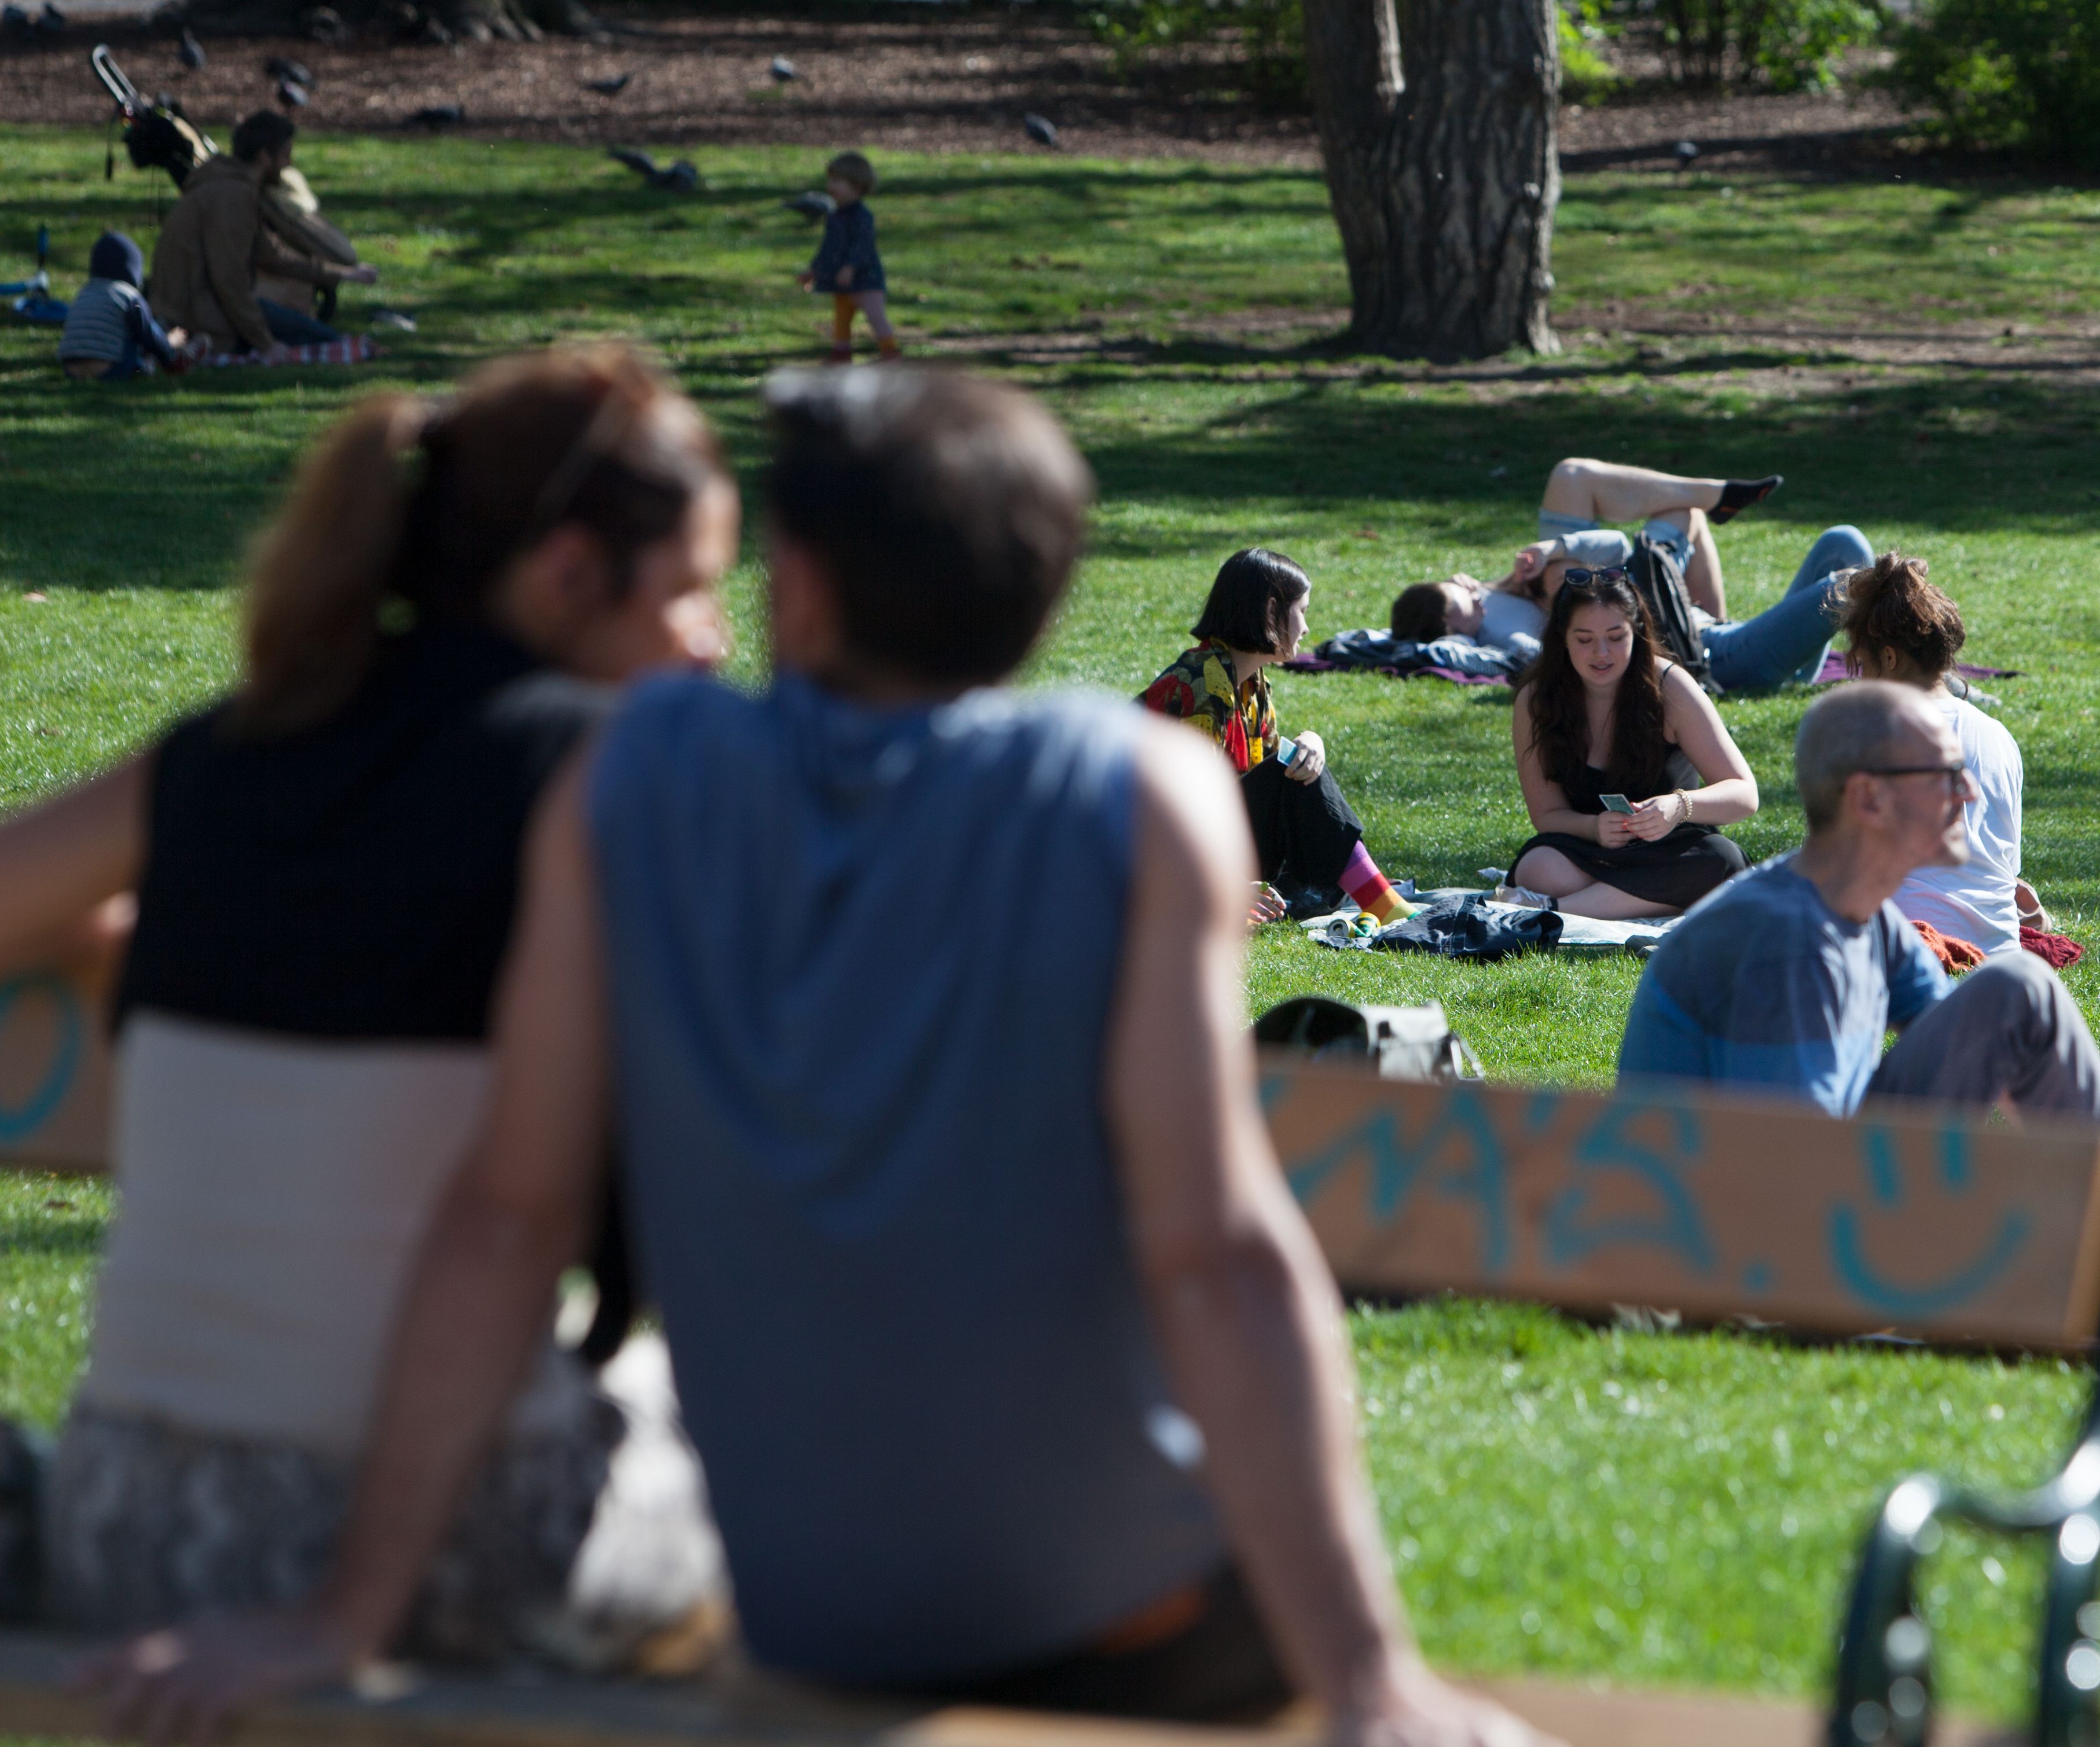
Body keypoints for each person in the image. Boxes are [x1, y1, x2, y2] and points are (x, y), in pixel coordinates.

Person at [84, 368, 1555, 1747]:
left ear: (794, 584)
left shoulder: (634, 780)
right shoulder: (1139, 791)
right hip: (1129, 1617)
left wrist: (345, 1618)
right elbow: (1217, 1255)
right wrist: (1370, 1681)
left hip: (817, 1617)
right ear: (1042, 596)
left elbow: (506, 1218)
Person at [0, 346, 737, 1662]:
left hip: (127, 1526)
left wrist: (142, 928)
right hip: (426, 1557)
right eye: (689, 590)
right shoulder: (599, 772)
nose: (713, 642)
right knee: (755, 1428)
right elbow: (515, 1217)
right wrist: (351, 1608)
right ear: (568, 574)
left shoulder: (220, 753)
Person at [1615, 680, 2100, 1277]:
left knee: (2018, 992)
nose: (1970, 791)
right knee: (2018, 999)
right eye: (1946, 775)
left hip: (1807, 1203)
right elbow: (1795, 1193)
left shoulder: (1863, 915)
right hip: (1740, 1251)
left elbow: (1982, 1043)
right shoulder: (1784, 945)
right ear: (1869, 799)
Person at [1392, 457, 1870, 695]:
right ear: (1456, 629)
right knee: (1850, 584)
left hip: (1709, 627)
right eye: (1465, 607)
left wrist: (1546, 555)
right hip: (1719, 657)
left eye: (1461, 588)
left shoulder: (1510, 585)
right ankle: (1902, 671)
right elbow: (1518, 659)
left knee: (1843, 541)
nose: (1473, 595)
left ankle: (1714, 495)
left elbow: (1616, 549)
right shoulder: (1503, 631)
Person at [1144, 549, 1418, 926]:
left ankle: (1374, 899)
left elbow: (1273, 780)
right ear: (1272, 611)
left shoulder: (1249, 680)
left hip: (1209, 844)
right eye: (1301, 611)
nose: (1306, 628)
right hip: (1157, 861)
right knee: (1292, 767)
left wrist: (1312, 743)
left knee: (1297, 764)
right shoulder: (1202, 686)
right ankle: (1382, 903)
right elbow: (1181, 808)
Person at [1510, 568, 1758, 919]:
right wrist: (1593, 828)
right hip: (1590, 851)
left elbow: (1744, 794)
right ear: (1562, 638)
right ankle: (1622, 899)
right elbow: (1547, 815)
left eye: (1616, 637)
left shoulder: (1670, 687)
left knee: (1720, 860)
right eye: (1584, 640)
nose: (1601, 653)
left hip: (1671, 849)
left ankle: (1555, 911)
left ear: (1636, 631)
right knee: (1538, 868)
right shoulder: (1537, 701)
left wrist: (1679, 806)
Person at [1837, 551, 2040, 953]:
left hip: (1903, 943)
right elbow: (2003, 868)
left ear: (1889, 658)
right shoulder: (1999, 736)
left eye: (1861, 666)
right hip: (1998, 946)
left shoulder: (1870, 733)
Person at [149, 112, 380, 358]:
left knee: (326, 336)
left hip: (208, 309)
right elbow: (230, 281)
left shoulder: (232, 186)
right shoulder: (231, 196)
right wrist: (266, 344)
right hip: (200, 320)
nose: (288, 164)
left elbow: (274, 256)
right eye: (285, 155)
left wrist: (344, 273)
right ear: (264, 156)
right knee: (336, 344)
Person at [797, 150, 898, 364]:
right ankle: (841, 354)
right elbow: (828, 248)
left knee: (875, 315)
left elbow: (863, 246)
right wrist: (814, 270)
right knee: (842, 319)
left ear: (857, 186)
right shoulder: (834, 216)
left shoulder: (862, 216)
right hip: (841, 281)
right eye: (830, 180)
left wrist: (851, 267)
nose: (830, 186)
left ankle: (890, 352)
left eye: (836, 181)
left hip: (866, 280)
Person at [57, 232, 185, 381]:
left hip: (71, 370)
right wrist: (169, 345)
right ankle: (143, 366)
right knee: (134, 332)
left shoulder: (84, 293)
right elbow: (148, 336)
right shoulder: (128, 295)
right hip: (110, 369)